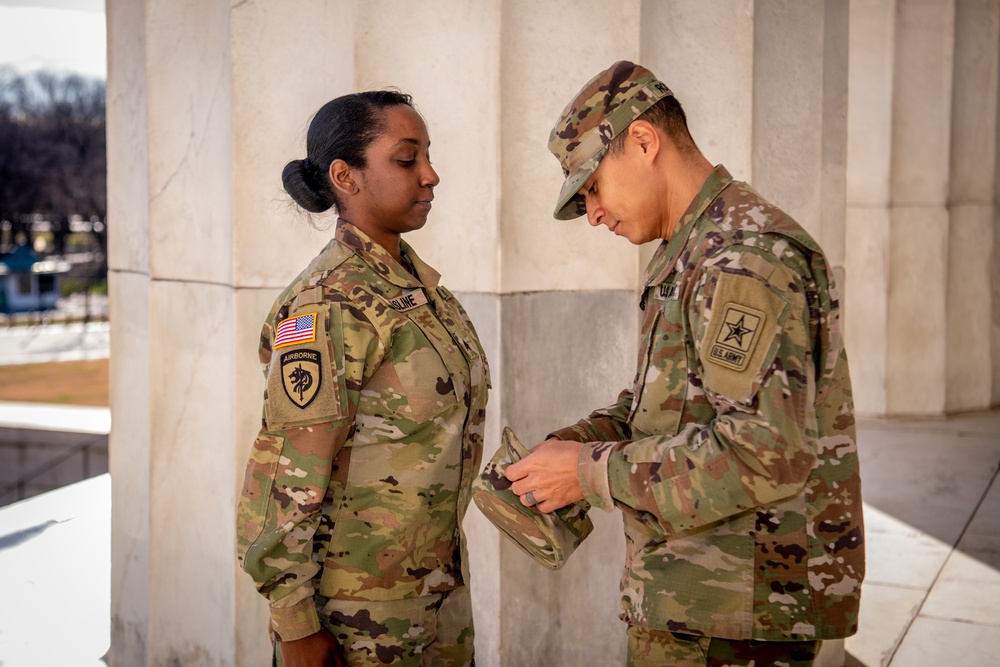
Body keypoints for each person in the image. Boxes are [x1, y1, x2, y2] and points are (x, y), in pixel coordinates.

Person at [504, 61, 864, 667]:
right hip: (702, 605)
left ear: (644, 142)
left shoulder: (742, 257)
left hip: (735, 618)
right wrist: (580, 443)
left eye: (592, 187)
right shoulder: (693, 247)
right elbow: (671, 404)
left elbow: (763, 451)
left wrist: (591, 472)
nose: (592, 213)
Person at [237, 90, 490, 667]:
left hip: (431, 600)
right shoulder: (327, 303)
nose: (431, 176)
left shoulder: (419, 291)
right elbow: (285, 472)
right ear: (345, 176)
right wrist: (295, 623)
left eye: (427, 155)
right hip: (356, 620)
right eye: (407, 160)